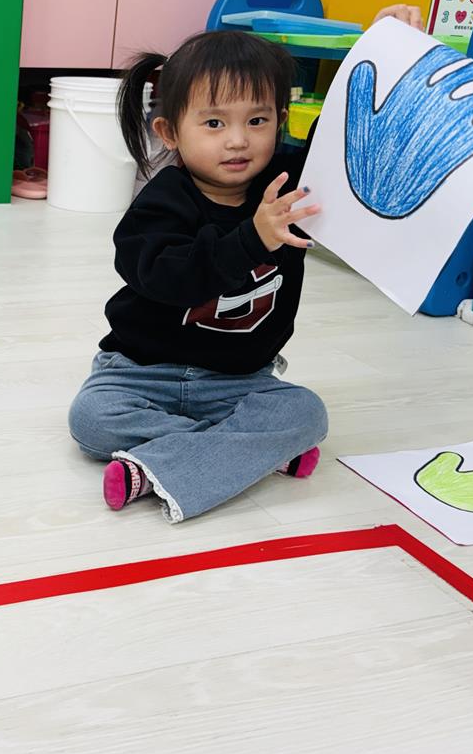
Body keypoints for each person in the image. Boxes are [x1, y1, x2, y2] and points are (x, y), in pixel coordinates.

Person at [67, 29, 327, 523]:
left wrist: (384, 50)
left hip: (238, 381)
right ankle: (250, 453)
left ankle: (157, 467)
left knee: (308, 413)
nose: (238, 139)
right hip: (142, 372)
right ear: (170, 132)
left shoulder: (287, 190)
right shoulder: (161, 202)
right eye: (213, 123)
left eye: (257, 120)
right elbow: (171, 279)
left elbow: (343, 139)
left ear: (281, 120)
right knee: (91, 420)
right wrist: (252, 239)